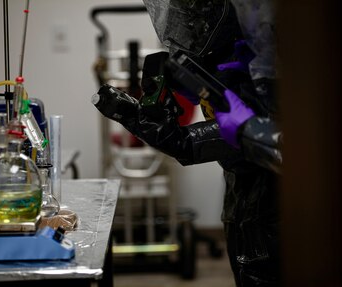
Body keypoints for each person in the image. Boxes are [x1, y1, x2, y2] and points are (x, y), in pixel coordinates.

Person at [92, 0, 280, 285]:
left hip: (285, 210)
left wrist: (192, 140)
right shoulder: (236, 47)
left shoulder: (289, 43)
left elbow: (300, 143)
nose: (190, 22)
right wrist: (187, 81)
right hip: (243, 196)